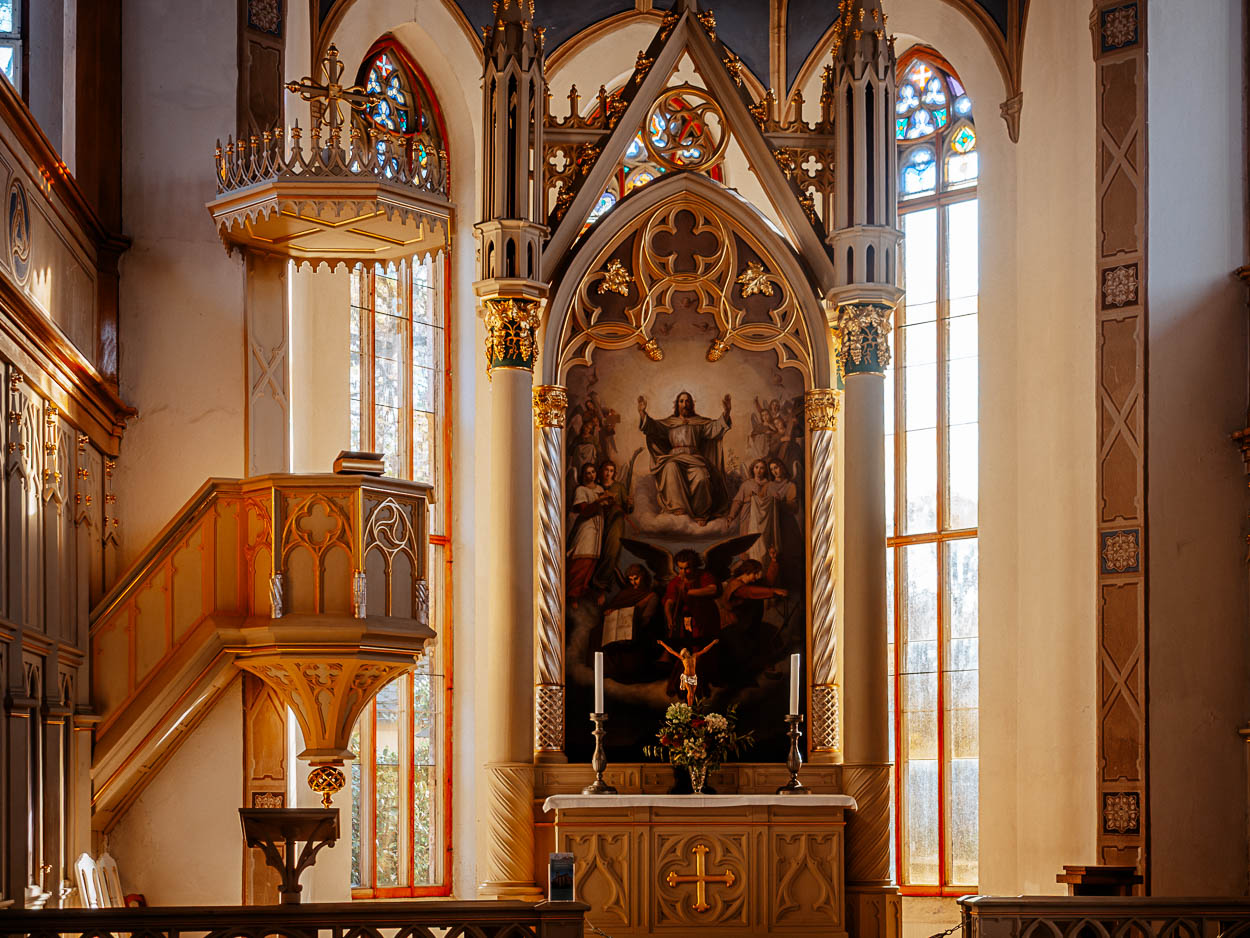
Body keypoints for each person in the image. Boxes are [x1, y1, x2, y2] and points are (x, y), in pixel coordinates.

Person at [637, 390, 732, 524]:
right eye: (681, 401)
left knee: (702, 478)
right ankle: (678, 508)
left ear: (691, 404)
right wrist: (642, 412)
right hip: (675, 458)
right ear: (677, 404)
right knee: (670, 468)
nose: (684, 404)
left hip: (695, 459)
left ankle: (701, 514)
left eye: (687, 401)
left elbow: (715, 428)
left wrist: (727, 412)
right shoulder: (670, 423)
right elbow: (653, 427)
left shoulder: (699, 423)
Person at [728, 458, 782, 564]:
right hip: (747, 518)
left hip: (764, 521)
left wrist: (774, 498)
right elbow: (737, 501)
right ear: (753, 469)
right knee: (746, 545)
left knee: (762, 545)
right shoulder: (746, 484)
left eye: (762, 468)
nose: (759, 470)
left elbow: (777, 500)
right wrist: (731, 516)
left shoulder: (770, 485)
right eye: (756, 467)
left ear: (765, 470)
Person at [592, 460, 633, 593]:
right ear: (601, 471)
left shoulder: (619, 487)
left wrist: (630, 504)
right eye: (606, 470)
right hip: (599, 521)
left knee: (612, 551)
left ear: (614, 473)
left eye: (611, 471)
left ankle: (602, 582)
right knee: (598, 551)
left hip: (616, 521)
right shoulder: (596, 486)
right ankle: (594, 582)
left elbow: (628, 509)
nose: (608, 473)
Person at [567, 462, 606, 599]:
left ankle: (583, 588)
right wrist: (599, 501)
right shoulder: (581, 490)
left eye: (593, 472)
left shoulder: (600, 488)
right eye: (588, 473)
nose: (591, 475)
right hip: (586, 527)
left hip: (598, 528)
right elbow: (584, 511)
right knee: (583, 557)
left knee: (593, 558)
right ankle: (572, 593)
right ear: (583, 475)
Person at [661, 548, 719, 640]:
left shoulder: (704, 575)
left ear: (694, 566)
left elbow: (713, 589)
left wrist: (688, 592)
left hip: (707, 616)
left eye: (687, 568)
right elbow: (669, 601)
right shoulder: (676, 582)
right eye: (680, 568)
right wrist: (669, 617)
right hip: (689, 618)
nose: (683, 572)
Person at [716, 558, 788, 630]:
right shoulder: (736, 586)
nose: (757, 577)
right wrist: (774, 591)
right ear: (747, 571)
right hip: (732, 625)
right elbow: (750, 592)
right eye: (755, 573)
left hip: (746, 622)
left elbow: (766, 582)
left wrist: (774, 561)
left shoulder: (750, 582)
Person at [658, 638, 719, 705]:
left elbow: (704, 650)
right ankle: (690, 707)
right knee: (690, 692)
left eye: (685, 650)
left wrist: (713, 643)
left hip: (693, 677)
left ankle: (691, 706)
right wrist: (662, 643)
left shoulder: (694, 656)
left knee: (692, 693)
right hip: (686, 677)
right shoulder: (683, 658)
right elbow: (671, 651)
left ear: (688, 652)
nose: (684, 651)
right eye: (683, 651)